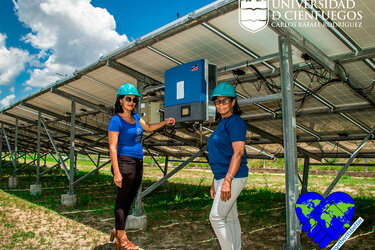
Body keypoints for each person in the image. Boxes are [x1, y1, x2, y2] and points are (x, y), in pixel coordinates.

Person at [108, 83, 175, 250]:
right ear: (120, 100)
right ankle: (123, 240)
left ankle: (118, 231)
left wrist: (166, 122)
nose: (131, 102)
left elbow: (150, 127)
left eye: (134, 99)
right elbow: (112, 147)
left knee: (129, 199)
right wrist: (116, 172)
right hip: (124, 163)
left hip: (137, 163)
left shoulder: (136, 118)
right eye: (128, 99)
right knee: (121, 201)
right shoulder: (116, 120)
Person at [208, 82, 249, 250]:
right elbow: (222, 155)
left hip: (233, 177)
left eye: (225, 101)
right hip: (222, 176)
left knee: (216, 217)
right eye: (218, 101)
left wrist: (227, 181)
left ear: (233, 102)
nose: (221, 104)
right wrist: (215, 181)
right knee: (230, 218)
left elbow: (238, 153)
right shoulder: (223, 123)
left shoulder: (235, 122)